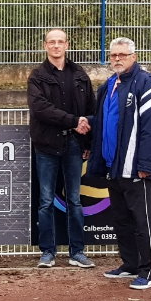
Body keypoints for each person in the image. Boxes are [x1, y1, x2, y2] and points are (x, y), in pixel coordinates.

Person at [87, 37, 151, 290]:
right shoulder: (108, 85)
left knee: (144, 222)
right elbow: (102, 122)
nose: (117, 59)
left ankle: (149, 272)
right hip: (114, 168)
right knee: (122, 220)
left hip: (137, 170)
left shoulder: (148, 84)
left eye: (122, 54)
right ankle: (131, 265)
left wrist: (146, 165)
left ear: (134, 56)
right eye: (113, 55)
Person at [28, 28, 96, 269]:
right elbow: (40, 108)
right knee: (46, 201)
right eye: (51, 42)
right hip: (46, 147)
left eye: (60, 42)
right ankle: (48, 252)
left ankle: (77, 252)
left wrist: (87, 142)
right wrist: (73, 121)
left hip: (74, 146)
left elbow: (91, 109)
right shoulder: (37, 76)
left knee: (75, 201)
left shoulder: (79, 74)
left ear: (67, 45)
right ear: (45, 46)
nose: (56, 46)